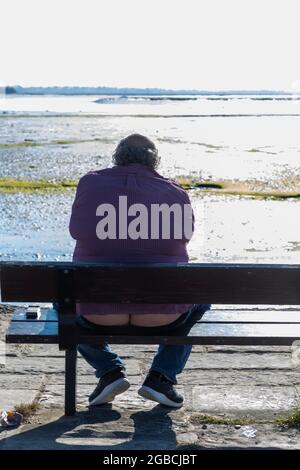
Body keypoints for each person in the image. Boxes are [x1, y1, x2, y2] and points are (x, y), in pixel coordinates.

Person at [69, 133, 210, 408]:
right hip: (162, 316)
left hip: (97, 314)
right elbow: (186, 236)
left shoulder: (90, 182)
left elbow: (76, 230)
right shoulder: (175, 192)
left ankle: (109, 371)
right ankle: (161, 378)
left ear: (117, 157)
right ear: (155, 161)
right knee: (201, 295)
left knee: (61, 296)